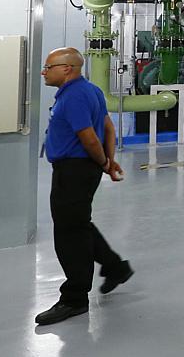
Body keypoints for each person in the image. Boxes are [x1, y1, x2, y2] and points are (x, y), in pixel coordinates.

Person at [36, 47, 134, 326]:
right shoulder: (90, 91)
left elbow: (90, 138)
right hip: (80, 168)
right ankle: (115, 267)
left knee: (69, 235)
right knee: (78, 224)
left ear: (68, 68)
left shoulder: (76, 96)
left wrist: (105, 162)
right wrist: (109, 161)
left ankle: (74, 298)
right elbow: (109, 129)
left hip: (75, 170)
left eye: (49, 66)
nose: (45, 72)